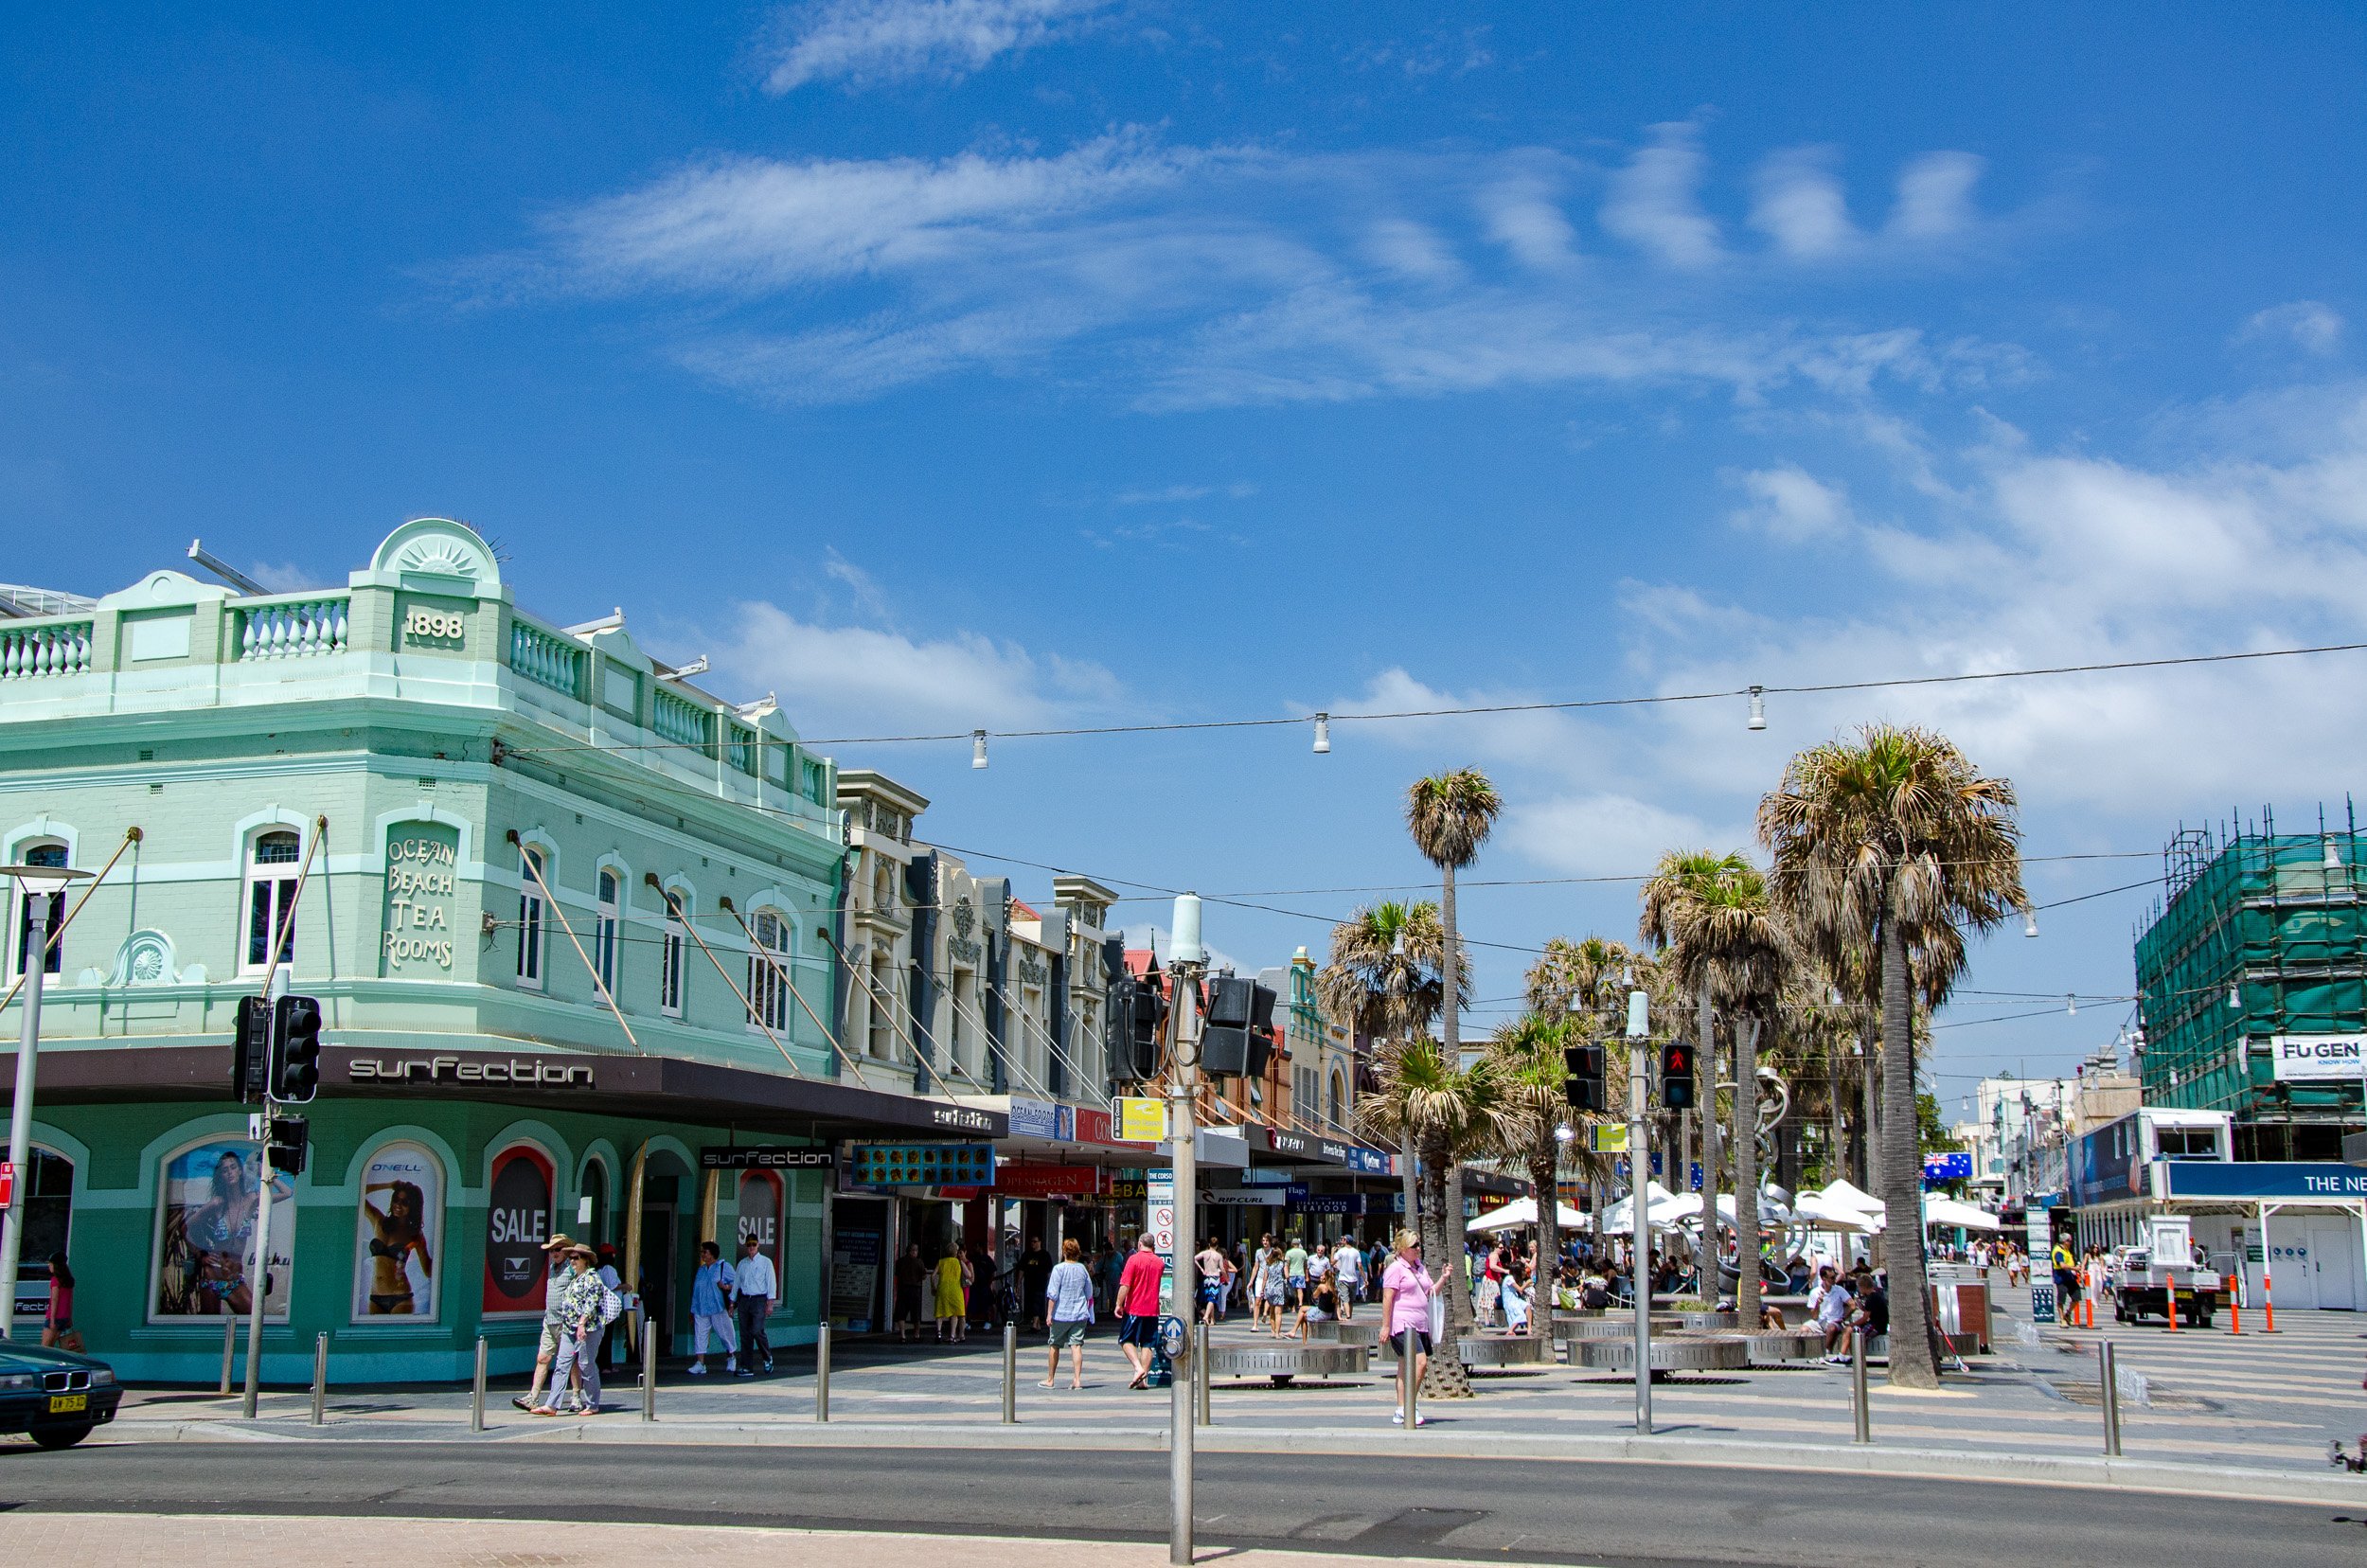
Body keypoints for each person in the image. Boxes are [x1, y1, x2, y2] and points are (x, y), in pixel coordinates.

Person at [1379, 1230, 1442, 1426]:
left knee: (1404, 1366)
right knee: (1420, 1362)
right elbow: (1387, 1297)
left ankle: (1401, 1409)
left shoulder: (1420, 1268)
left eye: (1419, 1245)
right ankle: (1409, 1405)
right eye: (1414, 1245)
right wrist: (1386, 1326)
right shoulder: (1395, 1269)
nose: (1418, 1249)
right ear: (1403, 1248)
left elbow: (1430, 1291)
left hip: (1420, 1323)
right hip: (1402, 1324)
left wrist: (1444, 1278)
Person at [512, 1233, 579, 1412]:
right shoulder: (552, 1267)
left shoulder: (572, 1268)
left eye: (558, 1249)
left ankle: (576, 1396)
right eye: (551, 1250)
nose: (554, 1253)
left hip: (566, 1322)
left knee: (570, 1361)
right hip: (549, 1320)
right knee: (543, 1358)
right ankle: (533, 1397)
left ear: (565, 1250)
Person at [359, 1177, 434, 1316]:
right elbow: (358, 1193)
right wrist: (388, 1184)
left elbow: (428, 1271)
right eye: (396, 1200)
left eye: (405, 1202)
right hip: (375, 1297)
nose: (398, 1205)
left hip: (400, 1297)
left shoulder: (415, 1235)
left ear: (413, 1206)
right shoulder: (379, 1221)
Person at [1041, 1238, 1096, 1390]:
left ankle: (1050, 1379)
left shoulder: (1058, 1269)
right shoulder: (1082, 1269)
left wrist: (1049, 1314)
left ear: (1064, 1252)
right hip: (1079, 1314)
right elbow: (1089, 1292)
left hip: (1061, 1314)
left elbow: (1053, 1294)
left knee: (1054, 1345)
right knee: (1076, 1345)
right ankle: (1077, 1380)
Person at [1114, 1233, 1166, 1389]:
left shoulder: (1133, 1260)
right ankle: (1143, 1380)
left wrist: (1118, 1304)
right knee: (1147, 1344)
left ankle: (1138, 1368)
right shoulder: (1159, 1263)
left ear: (1139, 1244)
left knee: (1125, 1340)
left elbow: (1125, 1285)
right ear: (1153, 1246)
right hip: (1153, 1309)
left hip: (1135, 1308)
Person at [686, 1240, 738, 1376]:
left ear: (712, 1254)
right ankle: (700, 1363)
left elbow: (737, 1284)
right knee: (700, 1335)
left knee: (725, 1333)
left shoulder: (723, 1267)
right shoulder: (701, 1270)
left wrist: (726, 1287)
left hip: (718, 1307)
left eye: (705, 1252)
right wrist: (692, 1309)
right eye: (702, 1252)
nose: (702, 1254)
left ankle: (731, 1356)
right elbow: (696, 1291)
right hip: (701, 1308)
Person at [734, 1234, 777, 1376]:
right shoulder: (742, 1264)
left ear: (758, 1245)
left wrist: (770, 1303)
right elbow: (736, 1284)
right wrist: (732, 1302)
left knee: (757, 1330)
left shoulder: (766, 1262)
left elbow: (771, 1283)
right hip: (745, 1300)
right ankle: (746, 1366)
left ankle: (767, 1357)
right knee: (745, 1334)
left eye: (753, 1244)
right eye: (749, 1245)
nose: (751, 1247)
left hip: (759, 1300)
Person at [42, 1251, 82, 1353]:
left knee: (44, 1348)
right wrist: (69, 1318)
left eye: (50, 1264)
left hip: (55, 1317)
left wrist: (52, 1319)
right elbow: (70, 1300)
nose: (48, 1266)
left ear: (55, 1265)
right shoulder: (69, 1281)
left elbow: (55, 1299)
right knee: (52, 1346)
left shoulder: (55, 1280)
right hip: (64, 1318)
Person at [934, 1244, 969, 1342]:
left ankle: (939, 1332)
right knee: (955, 1313)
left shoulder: (941, 1262)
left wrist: (933, 1286)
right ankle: (952, 1336)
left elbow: (932, 1275)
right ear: (956, 1252)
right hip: (956, 1290)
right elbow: (968, 1274)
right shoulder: (959, 1262)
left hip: (942, 1289)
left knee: (939, 1312)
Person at [1020, 1235, 1054, 1331]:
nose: (1033, 1244)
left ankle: (1034, 1324)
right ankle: (1037, 1324)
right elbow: (1021, 1269)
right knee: (1030, 1303)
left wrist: (1051, 1283)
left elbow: (1049, 1271)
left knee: (1037, 1302)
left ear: (1039, 1242)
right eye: (1031, 1242)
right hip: (1029, 1283)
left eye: (1035, 1241)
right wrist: (1018, 1283)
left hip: (1040, 1283)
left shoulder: (1045, 1255)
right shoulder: (1026, 1254)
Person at [894, 1242, 926, 1342]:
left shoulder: (900, 1261)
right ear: (912, 1251)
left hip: (902, 1289)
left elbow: (897, 1274)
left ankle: (902, 1335)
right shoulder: (919, 1262)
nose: (916, 1252)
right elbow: (924, 1275)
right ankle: (917, 1334)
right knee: (916, 1313)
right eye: (915, 1250)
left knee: (901, 1312)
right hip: (915, 1289)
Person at [1195, 1238, 1230, 1325]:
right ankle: (1206, 1316)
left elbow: (1194, 1258)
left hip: (1206, 1277)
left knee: (1209, 1299)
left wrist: (1201, 1269)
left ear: (1209, 1245)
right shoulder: (1218, 1256)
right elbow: (1222, 1269)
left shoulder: (1204, 1253)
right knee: (1212, 1298)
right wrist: (1226, 1279)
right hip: (1214, 1277)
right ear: (1217, 1246)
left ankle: (1211, 1319)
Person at [1331, 1234, 1364, 1319]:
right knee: (1351, 1300)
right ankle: (1350, 1315)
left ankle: (1348, 1316)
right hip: (1353, 1279)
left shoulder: (1341, 1251)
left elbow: (1332, 1262)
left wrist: (1332, 1253)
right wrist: (1365, 1278)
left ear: (1345, 1241)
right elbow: (1360, 1266)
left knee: (1345, 1299)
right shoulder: (1356, 1252)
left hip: (1343, 1278)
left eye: (1343, 1239)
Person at [1501, 1261, 1533, 1336]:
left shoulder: (1513, 1278)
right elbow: (1520, 1289)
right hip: (1510, 1301)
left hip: (1515, 1299)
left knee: (1527, 1306)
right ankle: (1510, 1330)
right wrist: (1527, 1283)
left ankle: (1529, 1328)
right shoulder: (1509, 1278)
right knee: (1520, 1315)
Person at [1283, 1236, 1309, 1312]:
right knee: (1300, 1289)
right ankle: (1300, 1303)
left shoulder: (1289, 1252)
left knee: (1292, 1291)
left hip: (1292, 1274)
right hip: (1301, 1273)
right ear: (1298, 1244)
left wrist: (1286, 1274)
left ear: (1292, 1244)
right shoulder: (1303, 1252)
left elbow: (1287, 1265)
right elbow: (1305, 1265)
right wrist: (1306, 1275)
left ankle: (1293, 1307)